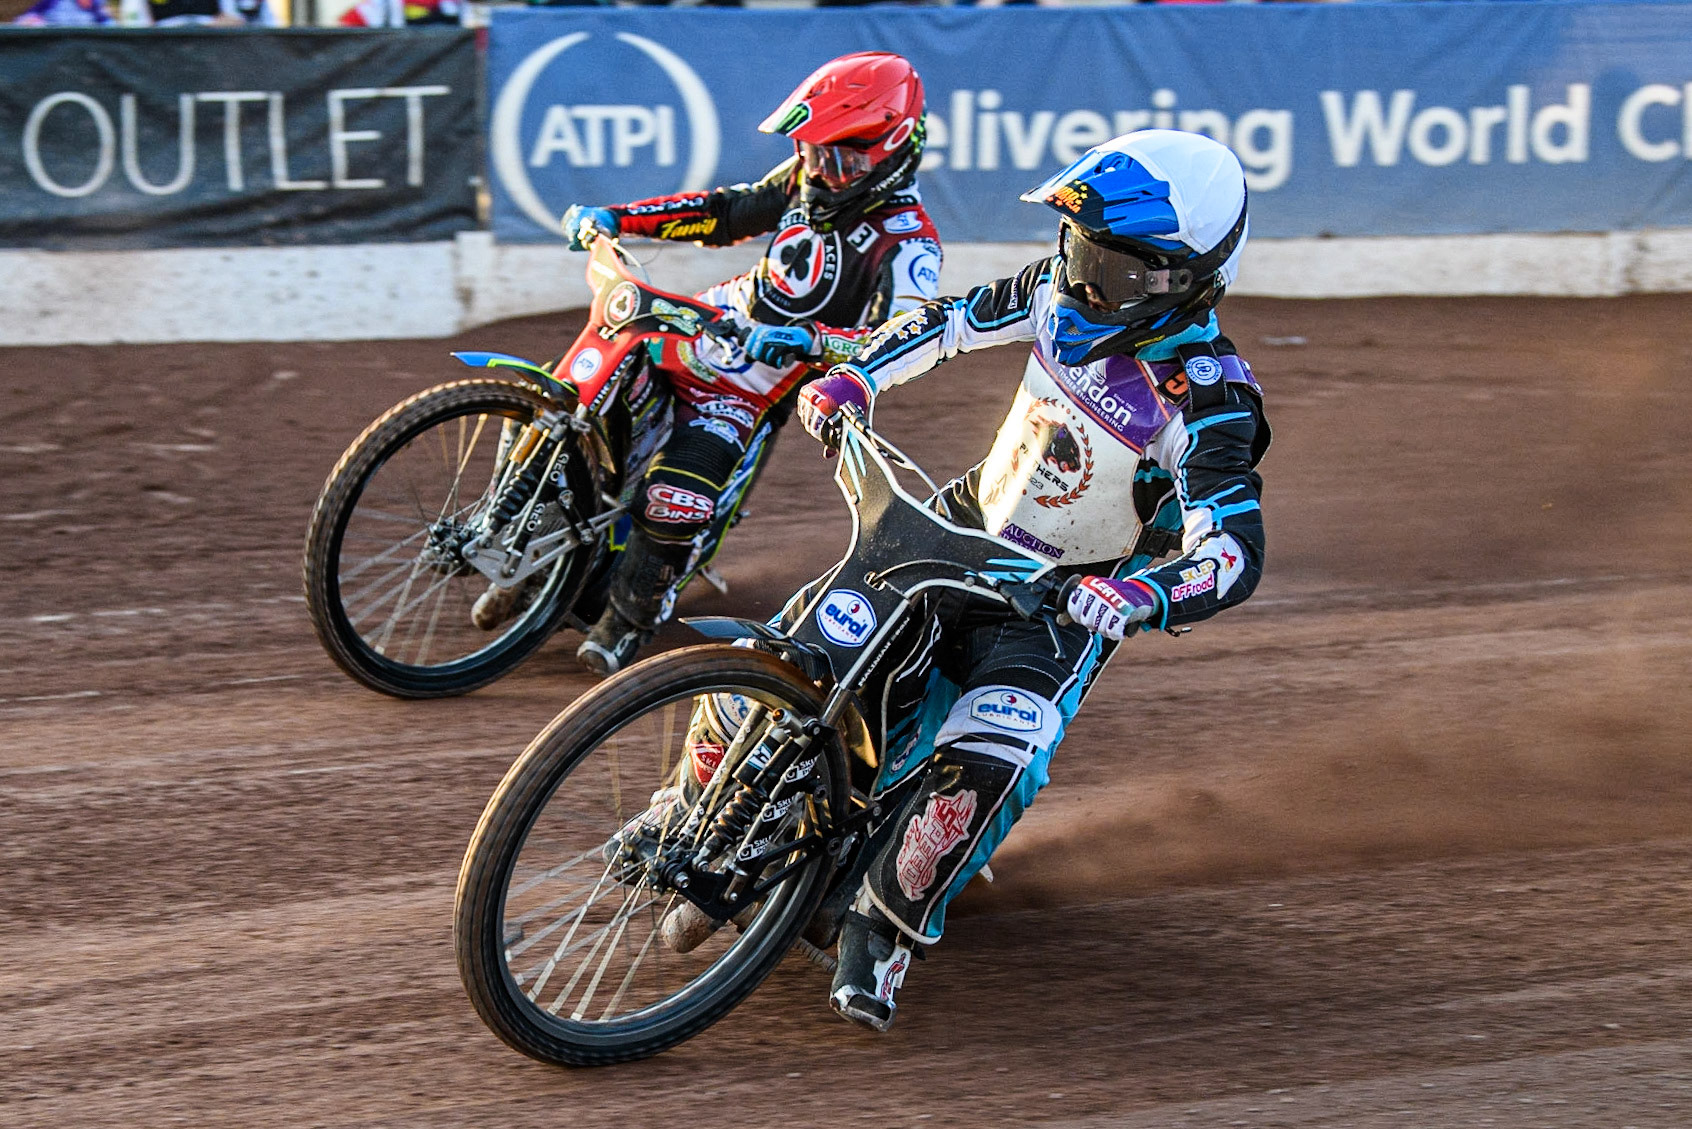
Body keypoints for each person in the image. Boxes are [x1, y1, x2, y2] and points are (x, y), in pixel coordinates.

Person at [792, 129, 1270, 1030]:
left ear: (1183, 280)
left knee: (991, 753)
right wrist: (857, 376)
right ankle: (695, 803)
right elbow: (944, 322)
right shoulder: (1054, 291)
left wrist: (1143, 594)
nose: (1081, 280)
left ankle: (882, 931)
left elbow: (1234, 552)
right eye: (1078, 249)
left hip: (1059, 607)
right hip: (960, 525)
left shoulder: (1208, 401)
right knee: (811, 643)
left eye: (1114, 271)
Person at [560, 51, 943, 676]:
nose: (820, 169)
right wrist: (618, 217)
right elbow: (723, 212)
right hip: (693, 325)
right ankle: (520, 514)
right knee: (572, 390)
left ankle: (626, 621)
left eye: (839, 157)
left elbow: (902, 338)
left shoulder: (909, 243)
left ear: (892, 147)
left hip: (744, 390)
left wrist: (810, 343)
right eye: (813, 152)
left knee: (675, 498)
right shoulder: (802, 178)